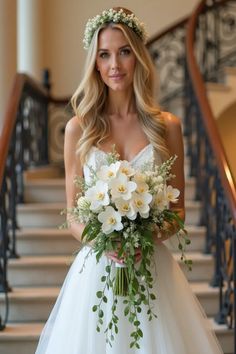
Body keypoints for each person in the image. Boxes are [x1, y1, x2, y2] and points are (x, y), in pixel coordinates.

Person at [35, 7, 223, 354]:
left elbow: (177, 212)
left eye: (124, 52)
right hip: (97, 270)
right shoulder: (79, 128)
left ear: (138, 56)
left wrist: (144, 238)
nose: (114, 65)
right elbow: (74, 216)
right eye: (104, 55)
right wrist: (106, 241)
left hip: (152, 269)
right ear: (95, 62)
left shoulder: (167, 127)